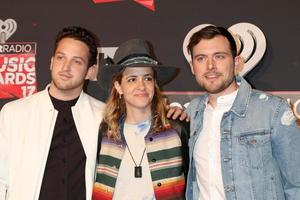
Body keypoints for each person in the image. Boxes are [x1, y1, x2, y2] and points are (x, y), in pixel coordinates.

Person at [184, 25, 300, 200]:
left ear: (236, 62)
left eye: (219, 56)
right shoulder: (192, 112)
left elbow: (296, 184)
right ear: (193, 66)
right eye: (201, 58)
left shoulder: (273, 110)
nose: (210, 66)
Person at [0, 26, 106, 200]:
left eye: (77, 61)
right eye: (60, 58)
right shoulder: (14, 113)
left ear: (90, 71)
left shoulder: (103, 116)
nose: (66, 67)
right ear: (51, 62)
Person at [92, 38, 189, 200]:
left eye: (147, 78)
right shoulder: (107, 131)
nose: (141, 86)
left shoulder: (177, 129)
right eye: (132, 79)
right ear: (118, 87)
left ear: (155, 84)